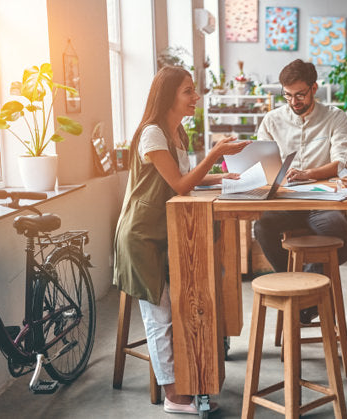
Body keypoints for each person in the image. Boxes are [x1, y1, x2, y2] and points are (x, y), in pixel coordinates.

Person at [113, 66, 249, 415]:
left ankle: (189, 381)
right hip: (142, 237)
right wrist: (215, 155)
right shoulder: (152, 134)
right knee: (160, 319)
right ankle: (174, 396)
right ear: (168, 95)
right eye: (188, 91)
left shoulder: (177, 134)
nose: (195, 97)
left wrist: (222, 178)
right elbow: (179, 186)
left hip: (167, 233)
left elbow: (184, 179)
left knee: (180, 309)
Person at [253, 59, 347, 322]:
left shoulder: (335, 117)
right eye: (287, 95)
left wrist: (309, 173)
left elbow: (341, 163)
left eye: (299, 94)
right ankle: (301, 294)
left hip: (319, 200)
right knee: (262, 228)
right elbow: (261, 161)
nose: (293, 101)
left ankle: (301, 292)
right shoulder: (272, 120)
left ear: (314, 88)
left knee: (344, 240)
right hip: (285, 200)